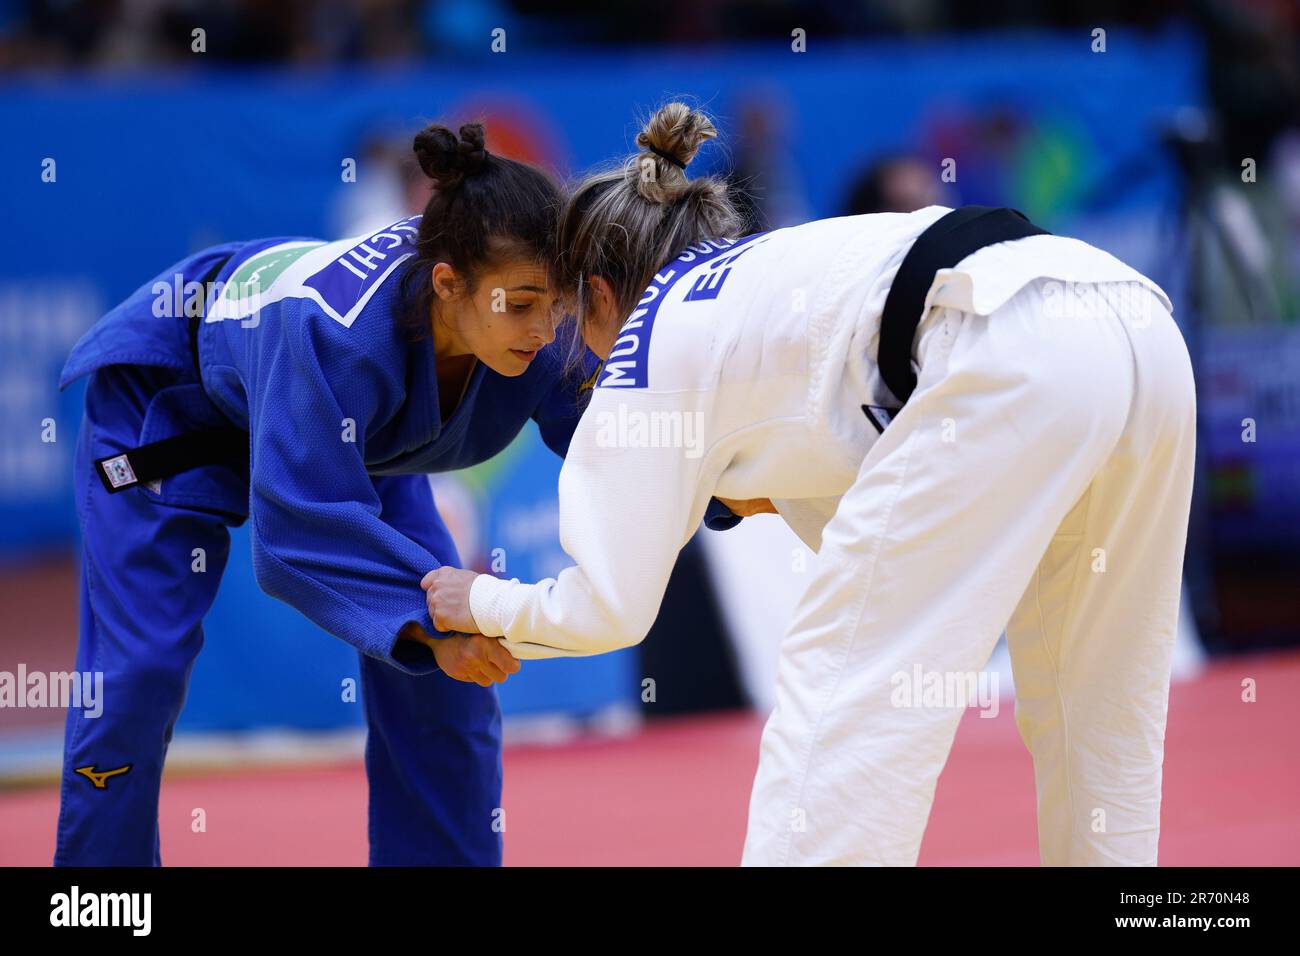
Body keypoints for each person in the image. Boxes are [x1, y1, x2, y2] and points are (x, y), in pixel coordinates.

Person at [425, 103, 1197, 866]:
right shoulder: (769, 272)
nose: (580, 353)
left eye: (568, 317)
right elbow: (874, 525)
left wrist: (483, 601)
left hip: (1006, 349)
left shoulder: (647, 334)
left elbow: (608, 610)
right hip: (1135, 321)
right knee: (1100, 698)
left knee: (845, 692)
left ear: (597, 292)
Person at [55, 123, 593, 866]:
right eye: (524, 306)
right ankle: (97, 903)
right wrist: (431, 627)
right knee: (136, 675)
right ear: (447, 285)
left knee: (449, 679)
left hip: (359, 441)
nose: (544, 328)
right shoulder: (334, 336)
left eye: (556, 305)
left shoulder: (529, 302)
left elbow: (609, 436)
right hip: (171, 408)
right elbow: (297, 534)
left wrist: (726, 491)